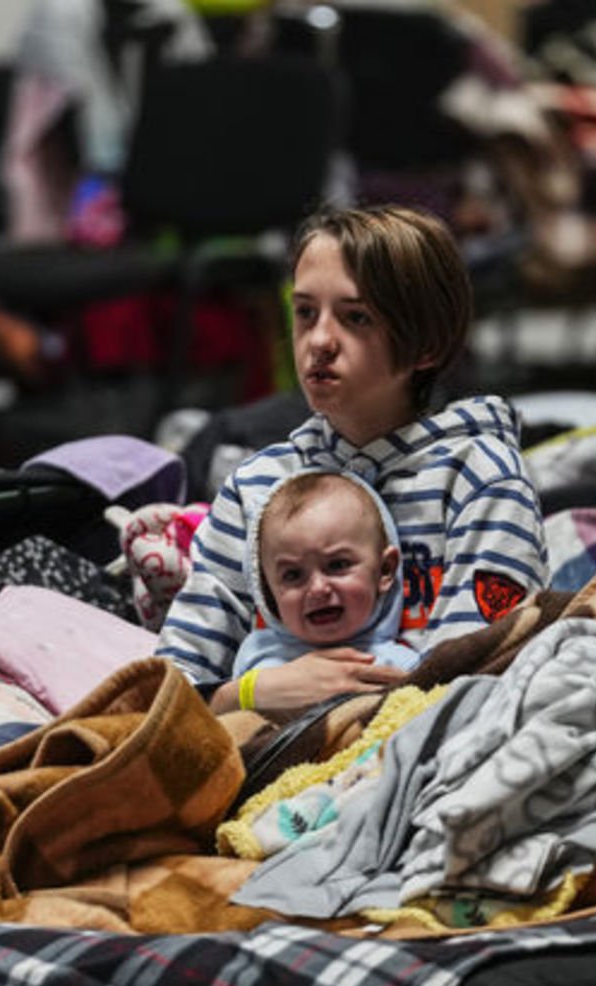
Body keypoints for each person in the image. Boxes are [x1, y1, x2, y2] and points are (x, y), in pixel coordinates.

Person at [155, 204, 547, 715]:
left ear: (426, 345)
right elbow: (173, 688)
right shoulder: (258, 486)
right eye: (305, 313)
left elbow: (473, 683)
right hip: (265, 746)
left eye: (355, 317)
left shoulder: (482, 477)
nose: (319, 341)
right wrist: (251, 693)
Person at [232, 469, 421, 684]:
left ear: (385, 570)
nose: (318, 589)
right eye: (293, 575)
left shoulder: (402, 667)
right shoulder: (255, 660)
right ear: (268, 590)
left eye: (337, 565)